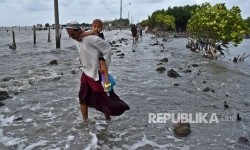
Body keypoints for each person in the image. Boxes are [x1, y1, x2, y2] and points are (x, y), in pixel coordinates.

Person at [66, 20, 129, 121]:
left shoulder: (91, 38)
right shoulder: (78, 38)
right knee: (82, 98)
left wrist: (104, 64)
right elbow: (82, 41)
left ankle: (108, 119)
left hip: (96, 73)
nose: (71, 37)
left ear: (77, 30)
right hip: (85, 72)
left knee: (103, 99)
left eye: (72, 34)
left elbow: (107, 48)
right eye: (69, 35)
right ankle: (85, 122)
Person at [80, 19, 110, 92]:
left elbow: (104, 48)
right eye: (95, 26)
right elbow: (81, 35)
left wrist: (102, 60)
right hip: (92, 57)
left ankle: (107, 83)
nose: (96, 28)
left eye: (98, 27)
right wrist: (91, 32)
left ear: (102, 28)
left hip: (100, 56)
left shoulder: (101, 36)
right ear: (92, 27)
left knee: (104, 71)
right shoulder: (89, 33)